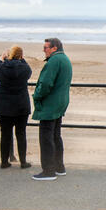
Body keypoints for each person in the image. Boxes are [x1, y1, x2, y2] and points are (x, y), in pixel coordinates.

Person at [31, 38, 72, 181]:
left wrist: (36, 95)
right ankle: (59, 167)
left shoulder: (54, 61)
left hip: (50, 104)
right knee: (55, 135)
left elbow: (46, 83)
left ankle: (48, 171)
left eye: (46, 47)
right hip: (60, 103)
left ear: (54, 48)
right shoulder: (65, 59)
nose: (44, 50)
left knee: (46, 137)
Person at [0, 46, 32, 169]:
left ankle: (4, 162)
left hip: (4, 106)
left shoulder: (2, 67)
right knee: (21, 134)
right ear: (21, 55)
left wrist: (0, 59)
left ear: (9, 55)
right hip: (21, 105)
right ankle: (23, 162)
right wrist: (22, 60)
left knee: (5, 134)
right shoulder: (25, 68)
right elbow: (29, 72)